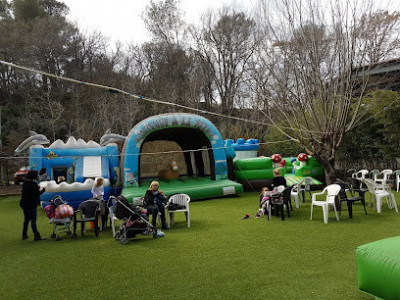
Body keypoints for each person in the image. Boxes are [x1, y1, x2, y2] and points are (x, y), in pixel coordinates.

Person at [20, 170, 46, 241]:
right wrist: (43, 190)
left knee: (26, 219)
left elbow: (29, 192)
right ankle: (36, 236)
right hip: (31, 204)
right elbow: (37, 194)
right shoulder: (34, 184)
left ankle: (24, 234)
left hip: (24, 204)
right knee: (33, 220)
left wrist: (36, 188)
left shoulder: (25, 183)